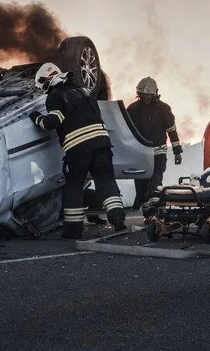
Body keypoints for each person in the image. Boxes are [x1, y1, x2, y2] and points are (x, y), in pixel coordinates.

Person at [29, 63, 126, 239]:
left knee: (73, 187)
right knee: (106, 181)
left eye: (43, 84)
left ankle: (73, 230)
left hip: (78, 149)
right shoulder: (84, 90)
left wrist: (36, 117)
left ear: (48, 79)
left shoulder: (55, 97)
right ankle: (118, 219)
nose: (44, 89)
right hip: (102, 144)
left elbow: (52, 122)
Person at [126, 77, 183, 210]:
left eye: (148, 95)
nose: (145, 98)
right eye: (143, 95)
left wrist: (177, 151)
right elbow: (128, 131)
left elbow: (172, 131)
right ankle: (145, 207)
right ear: (139, 94)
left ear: (154, 94)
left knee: (156, 177)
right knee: (141, 181)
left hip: (159, 151)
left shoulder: (164, 109)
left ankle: (153, 207)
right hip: (140, 151)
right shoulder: (132, 109)